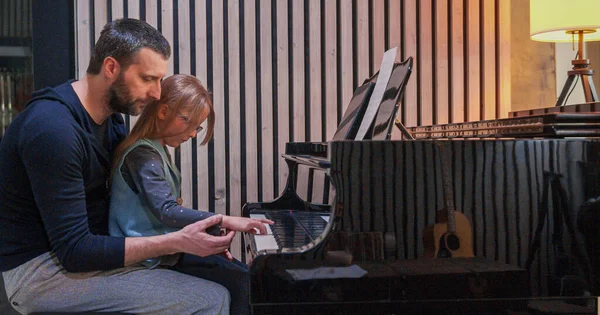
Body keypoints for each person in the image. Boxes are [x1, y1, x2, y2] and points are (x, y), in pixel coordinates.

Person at [0, 18, 267, 314]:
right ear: (112, 67)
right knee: (210, 299)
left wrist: (197, 239)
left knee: (231, 279)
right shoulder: (52, 130)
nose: (156, 93)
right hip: (40, 272)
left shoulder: (111, 120)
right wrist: (176, 242)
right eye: (147, 78)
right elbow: (75, 252)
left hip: (86, 249)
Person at [109, 73, 272, 315]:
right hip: (147, 258)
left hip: (164, 250)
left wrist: (209, 234)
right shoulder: (142, 155)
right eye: (190, 123)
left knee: (241, 273)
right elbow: (166, 211)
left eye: (198, 127)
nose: (194, 133)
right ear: (163, 112)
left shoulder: (153, 149)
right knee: (242, 282)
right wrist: (224, 220)